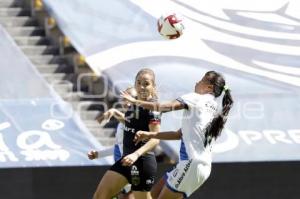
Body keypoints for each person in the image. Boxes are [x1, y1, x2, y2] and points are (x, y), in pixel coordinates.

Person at [121, 71, 234, 199]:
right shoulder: (214, 108)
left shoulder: (196, 98)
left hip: (191, 163)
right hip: (201, 167)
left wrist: (135, 101)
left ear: (209, 88)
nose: (197, 82)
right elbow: (178, 134)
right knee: (153, 194)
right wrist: (150, 134)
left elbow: (165, 106)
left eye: (201, 80)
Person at [93, 68, 161, 199]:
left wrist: (136, 155)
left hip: (141, 162)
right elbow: (130, 123)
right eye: (139, 82)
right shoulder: (134, 105)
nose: (142, 87)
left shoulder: (153, 108)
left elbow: (155, 139)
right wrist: (114, 112)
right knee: (99, 196)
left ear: (153, 86)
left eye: (146, 83)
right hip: (125, 161)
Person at [88, 87, 137, 199]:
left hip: (133, 169)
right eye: (124, 98)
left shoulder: (139, 116)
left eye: (131, 98)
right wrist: (98, 154)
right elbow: (118, 147)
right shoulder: (122, 122)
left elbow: (130, 123)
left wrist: (114, 112)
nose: (127, 101)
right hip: (121, 168)